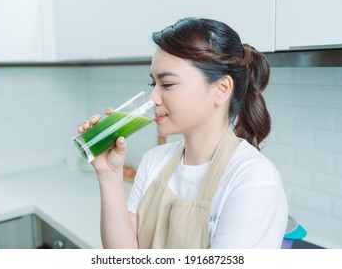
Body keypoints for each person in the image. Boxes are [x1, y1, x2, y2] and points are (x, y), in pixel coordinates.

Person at [77, 17, 288, 249]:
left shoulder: (253, 180)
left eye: (167, 84)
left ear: (221, 89)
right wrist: (109, 174)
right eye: (153, 85)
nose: (153, 98)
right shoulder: (154, 161)